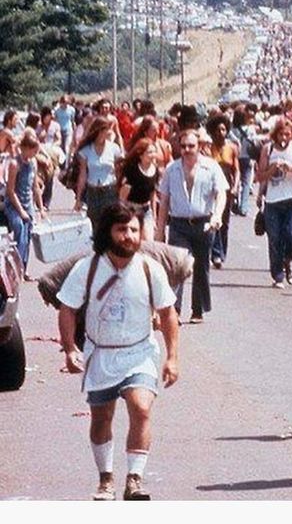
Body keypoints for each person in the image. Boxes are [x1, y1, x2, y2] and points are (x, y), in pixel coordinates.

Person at [57, 201, 179, 501]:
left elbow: (167, 313)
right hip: (101, 355)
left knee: (140, 407)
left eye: (134, 230)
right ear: (108, 232)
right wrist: (70, 348)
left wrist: (172, 356)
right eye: (121, 229)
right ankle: (106, 479)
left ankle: (135, 479)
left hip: (140, 352)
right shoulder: (88, 268)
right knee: (101, 419)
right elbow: (68, 310)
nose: (128, 236)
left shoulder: (150, 269)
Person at [155, 129, 227, 323]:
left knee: (201, 267)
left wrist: (217, 216)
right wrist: (160, 231)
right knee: (177, 267)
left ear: (199, 146)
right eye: (184, 146)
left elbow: (221, 193)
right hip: (179, 224)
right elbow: (164, 201)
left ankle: (198, 310)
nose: (187, 150)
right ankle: (174, 310)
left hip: (204, 223)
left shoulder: (211, 167)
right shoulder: (172, 169)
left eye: (191, 146)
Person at [256, 116, 292, 288]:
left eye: (287, 134)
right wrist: (272, 170)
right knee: (275, 238)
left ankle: (289, 262)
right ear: (275, 135)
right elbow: (259, 176)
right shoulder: (268, 149)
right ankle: (278, 274)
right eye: (281, 135)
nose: (284, 138)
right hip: (273, 201)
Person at [3, 130, 46, 273]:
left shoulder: (33, 163)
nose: (35, 153)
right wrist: (21, 211)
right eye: (34, 150)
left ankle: (24, 268)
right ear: (25, 148)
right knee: (19, 229)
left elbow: (35, 187)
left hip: (28, 203)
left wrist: (40, 208)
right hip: (14, 204)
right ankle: (16, 269)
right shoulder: (15, 164)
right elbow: (10, 191)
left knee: (28, 234)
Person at [74, 116, 123, 233]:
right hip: (93, 192)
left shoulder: (114, 149)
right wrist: (79, 198)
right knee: (94, 225)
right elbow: (83, 175)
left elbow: (119, 171)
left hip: (109, 190)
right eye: (106, 130)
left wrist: (121, 193)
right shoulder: (86, 150)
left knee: (110, 223)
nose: (109, 132)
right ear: (99, 131)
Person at [207, 113, 240, 269]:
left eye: (224, 129)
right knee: (214, 218)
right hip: (212, 189)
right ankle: (216, 253)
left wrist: (235, 187)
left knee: (224, 223)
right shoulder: (207, 148)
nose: (221, 133)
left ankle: (221, 251)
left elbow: (236, 170)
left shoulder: (232, 148)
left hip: (227, 188)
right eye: (218, 130)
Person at [118, 138, 159, 241]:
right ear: (141, 155)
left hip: (146, 210)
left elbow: (152, 194)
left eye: (154, 152)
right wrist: (121, 213)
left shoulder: (155, 170)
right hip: (131, 209)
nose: (153, 155)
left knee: (149, 241)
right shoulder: (132, 170)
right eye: (150, 152)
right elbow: (123, 193)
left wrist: (154, 216)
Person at [54, 94, 76, 162]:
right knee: (61, 148)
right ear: (61, 102)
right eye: (64, 103)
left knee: (67, 148)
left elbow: (72, 120)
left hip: (68, 130)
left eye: (67, 103)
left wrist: (74, 130)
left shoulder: (71, 110)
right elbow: (55, 120)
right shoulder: (57, 110)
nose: (65, 105)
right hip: (59, 130)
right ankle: (62, 163)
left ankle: (67, 164)